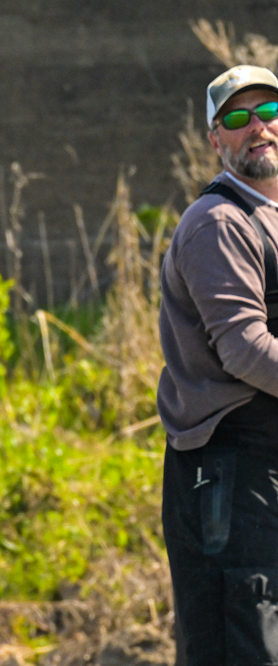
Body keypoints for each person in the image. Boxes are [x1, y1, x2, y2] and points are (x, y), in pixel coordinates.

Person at [159, 65, 278, 663]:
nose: (258, 127)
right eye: (237, 117)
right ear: (214, 138)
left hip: (265, 465)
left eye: (269, 111)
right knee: (243, 644)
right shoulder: (219, 222)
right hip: (230, 471)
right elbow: (245, 348)